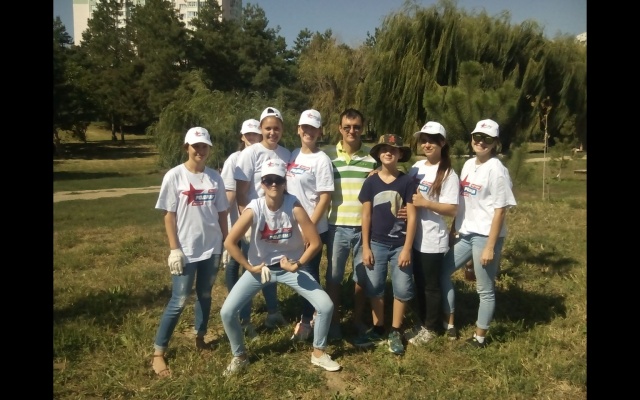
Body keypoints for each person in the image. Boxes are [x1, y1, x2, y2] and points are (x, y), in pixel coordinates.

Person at [220, 159, 341, 375]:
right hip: (261, 269)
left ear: (285, 182)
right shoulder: (254, 208)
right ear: (262, 184)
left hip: (290, 268)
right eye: (269, 180)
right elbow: (230, 242)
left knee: (325, 305)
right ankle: (240, 356)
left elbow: (315, 243)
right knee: (227, 312)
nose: (274, 184)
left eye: (278, 180)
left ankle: (318, 353)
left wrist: (298, 264)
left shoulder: (294, 205)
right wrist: (249, 266)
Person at [151, 127, 229, 378]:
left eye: (204, 146)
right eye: (196, 146)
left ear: (209, 148)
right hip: (186, 250)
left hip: (212, 248)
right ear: (187, 147)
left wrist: (226, 243)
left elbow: (222, 214)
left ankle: (200, 337)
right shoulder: (175, 176)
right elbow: (169, 216)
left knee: (205, 295)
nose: (200, 150)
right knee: (180, 299)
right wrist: (174, 249)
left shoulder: (215, 178)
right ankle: (159, 352)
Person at [440, 119, 517, 348]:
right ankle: (449, 322)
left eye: (487, 139)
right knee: (442, 272)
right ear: (471, 138)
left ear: (495, 143)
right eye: (477, 137)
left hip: (485, 236)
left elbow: (500, 211)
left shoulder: (497, 170)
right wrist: (454, 229)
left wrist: (490, 247)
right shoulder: (468, 165)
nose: (481, 142)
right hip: (465, 233)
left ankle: (479, 337)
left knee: (484, 289)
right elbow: (463, 203)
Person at [356, 134, 417, 355]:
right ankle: (378, 327)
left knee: (402, 288)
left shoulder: (407, 182)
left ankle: (396, 330)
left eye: (393, 149)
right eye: (384, 149)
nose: (388, 153)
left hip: (400, 245)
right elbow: (366, 216)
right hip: (376, 243)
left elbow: (412, 216)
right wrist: (366, 247)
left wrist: (407, 248)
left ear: (400, 154)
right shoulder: (371, 182)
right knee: (375, 287)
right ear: (378, 154)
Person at [233, 107, 291, 328]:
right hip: (254, 220)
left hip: (275, 222)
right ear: (261, 129)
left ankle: (273, 312)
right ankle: (245, 320)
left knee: (271, 265)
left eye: (276, 128)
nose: (272, 132)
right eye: (268, 128)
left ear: (282, 129)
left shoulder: (286, 154)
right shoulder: (250, 153)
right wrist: (245, 223)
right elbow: (241, 192)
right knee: (251, 271)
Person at [323, 108, 377, 341]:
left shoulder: (372, 159)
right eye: (347, 127)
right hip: (336, 226)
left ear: (362, 129)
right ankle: (334, 322)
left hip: (364, 228)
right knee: (334, 277)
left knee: (361, 278)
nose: (351, 131)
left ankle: (357, 320)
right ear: (340, 129)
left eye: (356, 127)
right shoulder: (328, 158)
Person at [405, 122, 459, 346]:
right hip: (414, 235)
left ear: (442, 143)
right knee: (418, 281)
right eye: (424, 140)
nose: (426, 145)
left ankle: (431, 327)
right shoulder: (417, 167)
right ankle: (422, 321)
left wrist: (426, 203)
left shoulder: (448, 174)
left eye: (432, 141)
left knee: (431, 286)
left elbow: (452, 209)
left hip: (433, 238)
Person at [220, 118, 273, 340]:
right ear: (242, 136)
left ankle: (252, 313)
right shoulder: (235, 159)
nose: (252, 138)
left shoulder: (263, 154)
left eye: (255, 134)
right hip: (240, 223)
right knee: (238, 267)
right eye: (248, 134)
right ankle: (242, 316)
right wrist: (227, 232)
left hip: (260, 224)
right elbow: (230, 195)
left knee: (255, 266)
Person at [285, 109, 334, 342]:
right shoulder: (293, 154)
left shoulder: (321, 159)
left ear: (320, 131)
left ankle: (308, 320)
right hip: (293, 228)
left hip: (313, 229)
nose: (309, 132)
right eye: (305, 127)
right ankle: (309, 312)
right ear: (298, 129)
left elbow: (325, 198)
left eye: (313, 128)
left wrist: (309, 228)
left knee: (309, 275)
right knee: (298, 272)